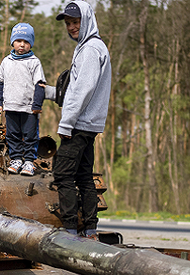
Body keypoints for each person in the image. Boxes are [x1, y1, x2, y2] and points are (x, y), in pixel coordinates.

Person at [52, 0, 112, 237]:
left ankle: (69, 230)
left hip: (79, 124)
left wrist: (66, 123)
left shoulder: (89, 49)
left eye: (75, 22)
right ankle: (90, 229)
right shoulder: (93, 47)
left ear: (86, 20)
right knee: (84, 176)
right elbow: (75, 87)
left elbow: (83, 89)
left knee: (63, 173)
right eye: (68, 23)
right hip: (89, 125)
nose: (71, 27)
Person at [0, 22, 46, 176]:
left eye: (26, 42)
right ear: (13, 42)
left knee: (30, 135)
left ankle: (29, 161)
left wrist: (37, 104)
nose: (22, 45)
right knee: (12, 134)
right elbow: (0, 82)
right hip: (10, 106)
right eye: (18, 41)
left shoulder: (34, 62)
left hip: (29, 108)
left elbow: (40, 84)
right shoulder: (6, 61)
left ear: (31, 44)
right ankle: (16, 159)